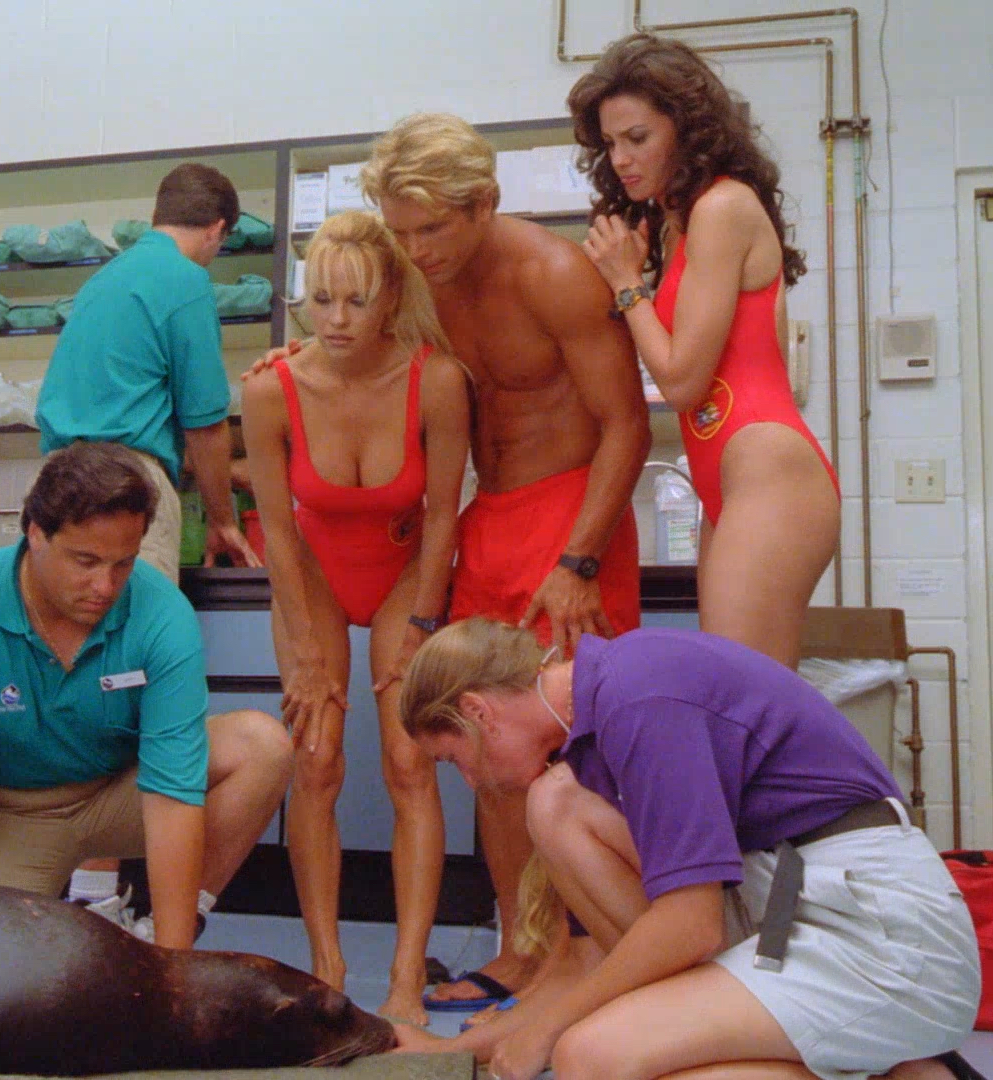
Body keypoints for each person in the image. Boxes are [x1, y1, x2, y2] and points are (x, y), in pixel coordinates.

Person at [251, 112, 651, 1011]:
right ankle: (521, 948)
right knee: (487, 748)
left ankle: (598, 951)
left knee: (578, 747)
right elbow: (353, 331)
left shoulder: (553, 274)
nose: (419, 247)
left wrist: (581, 560)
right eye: (404, 230)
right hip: (487, 522)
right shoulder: (420, 283)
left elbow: (628, 424)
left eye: (433, 227)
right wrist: (298, 350)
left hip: (570, 521)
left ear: (485, 203)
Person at [391, 618, 981, 1080]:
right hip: (790, 897)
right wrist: (458, 1051)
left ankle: (898, 1069)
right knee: (556, 804)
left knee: (588, 1056)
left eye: (454, 759)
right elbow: (592, 961)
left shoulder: (639, 697)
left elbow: (690, 924)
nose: (472, 781)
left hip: (883, 938)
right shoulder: (593, 733)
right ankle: (888, 1064)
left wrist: (547, 1032)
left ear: (478, 713)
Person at [0, 441, 293, 950]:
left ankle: (155, 936)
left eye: (123, 563)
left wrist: (171, 964)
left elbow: (173, 794)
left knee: (262, 745)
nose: (105, 586)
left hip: (116, 796)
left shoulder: (163, 614)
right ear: (36, 534)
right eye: (85, 560)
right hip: (5, 812)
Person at [240, 210, 471, 1020]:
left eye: (356, 301)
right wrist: (306, 652)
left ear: (390, 300)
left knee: (409, 760)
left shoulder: (436, 380)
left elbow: (442, 516)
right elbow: (275, 530)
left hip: (406, 572)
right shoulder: (269, 389)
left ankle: (406, 976)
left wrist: (422, 629)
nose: (335, 320)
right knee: (316, 758)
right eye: (321, 300)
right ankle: (328, 968)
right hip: (312, 575)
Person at [36, 162, 263, 925]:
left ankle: (73, 898)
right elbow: (205, 422)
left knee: (72, 684)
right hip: (127, 485)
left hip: (59, 488)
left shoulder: (107, 279)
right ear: (218, 230)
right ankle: (110, 907)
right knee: (130, 687)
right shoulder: (185, 280)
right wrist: (224, 518)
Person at [571, 33, 840, 668]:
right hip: (729, 479)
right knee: (738, 694)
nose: (622, 159)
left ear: (688, 129)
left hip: (768, 472)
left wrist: (627, 285)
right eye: (610, 143)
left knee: (749, 700)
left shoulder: (722, 206)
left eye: (638, 138)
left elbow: (683, 383)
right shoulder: (676, 222)